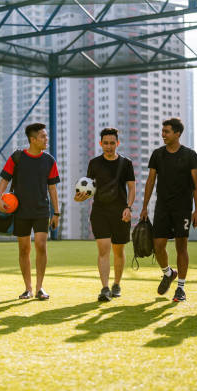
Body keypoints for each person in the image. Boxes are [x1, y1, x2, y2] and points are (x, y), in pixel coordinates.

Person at [0, 123, 60, 301]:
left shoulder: (49, 160)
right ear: (32, 140)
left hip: (41, 210)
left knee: (41, 244)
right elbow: (4, 180)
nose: (46, 139)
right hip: (21, 211)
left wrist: (56, 213)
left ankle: (40, 288)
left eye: (46, 136)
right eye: (42, 136)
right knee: (24, 249)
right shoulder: (16, 157)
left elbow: (52, 188)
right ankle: (28, 288)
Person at [140, 117, 197, 302]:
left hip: (182, 208)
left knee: (181, 247)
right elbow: (150, 181)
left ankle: (180, 288)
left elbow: (196, 184)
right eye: (163, 131)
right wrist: (144, 207)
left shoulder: (190, 155)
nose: (163, 134)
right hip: (162, 207)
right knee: (158, 246)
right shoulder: (157, 154)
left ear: (177, 133)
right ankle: (168, 273)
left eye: (166, 131)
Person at [75, 128, 135, 302]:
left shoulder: (126, 163)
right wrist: (79, 198)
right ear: (100, 144)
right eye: (105, 143)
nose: (109, 146)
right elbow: (88, 188)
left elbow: (132, 188)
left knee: (118, 250)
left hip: (120, 213)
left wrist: (129, 207)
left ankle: (116, 284)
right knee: (103, 249)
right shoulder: (94, 163)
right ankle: (105, 288)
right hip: (99, 211)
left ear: (118, 143)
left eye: (112, 143)